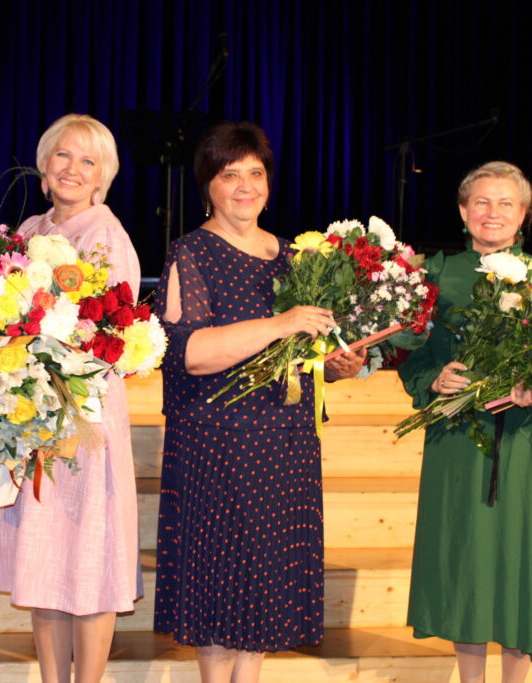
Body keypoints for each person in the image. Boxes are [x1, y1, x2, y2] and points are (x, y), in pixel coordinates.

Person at [152, 121, 366, 683]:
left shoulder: (294, 256)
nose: (245, 186)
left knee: (263, 593)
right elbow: (190, 354)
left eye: (255, 173)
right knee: (221, 593)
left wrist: (336, 365)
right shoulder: (191, 252)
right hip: (218, 446)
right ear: (208, 186)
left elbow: (303, 351)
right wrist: (281, 322)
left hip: (285, 443)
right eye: (230, 175)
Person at [398, 161, 532, 681]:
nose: (492, 213)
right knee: (465, 565)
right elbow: (412, 354)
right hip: (457, 441)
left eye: (505, 203)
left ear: (524, 214)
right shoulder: (434, 276)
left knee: (520, 565)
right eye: (481, 202)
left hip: (524, 445)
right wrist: (433, 378)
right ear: (462, 211)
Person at [0, 113, 142, 683]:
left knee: (89, 559)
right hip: (32, 413)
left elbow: (110, 338)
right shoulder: (29, 229)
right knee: (44, 559)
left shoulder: (106, 235)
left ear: (103, 176)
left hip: (83, 417)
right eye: (63, 155)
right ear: (44, 164)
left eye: (88, 160)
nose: (73, 169)